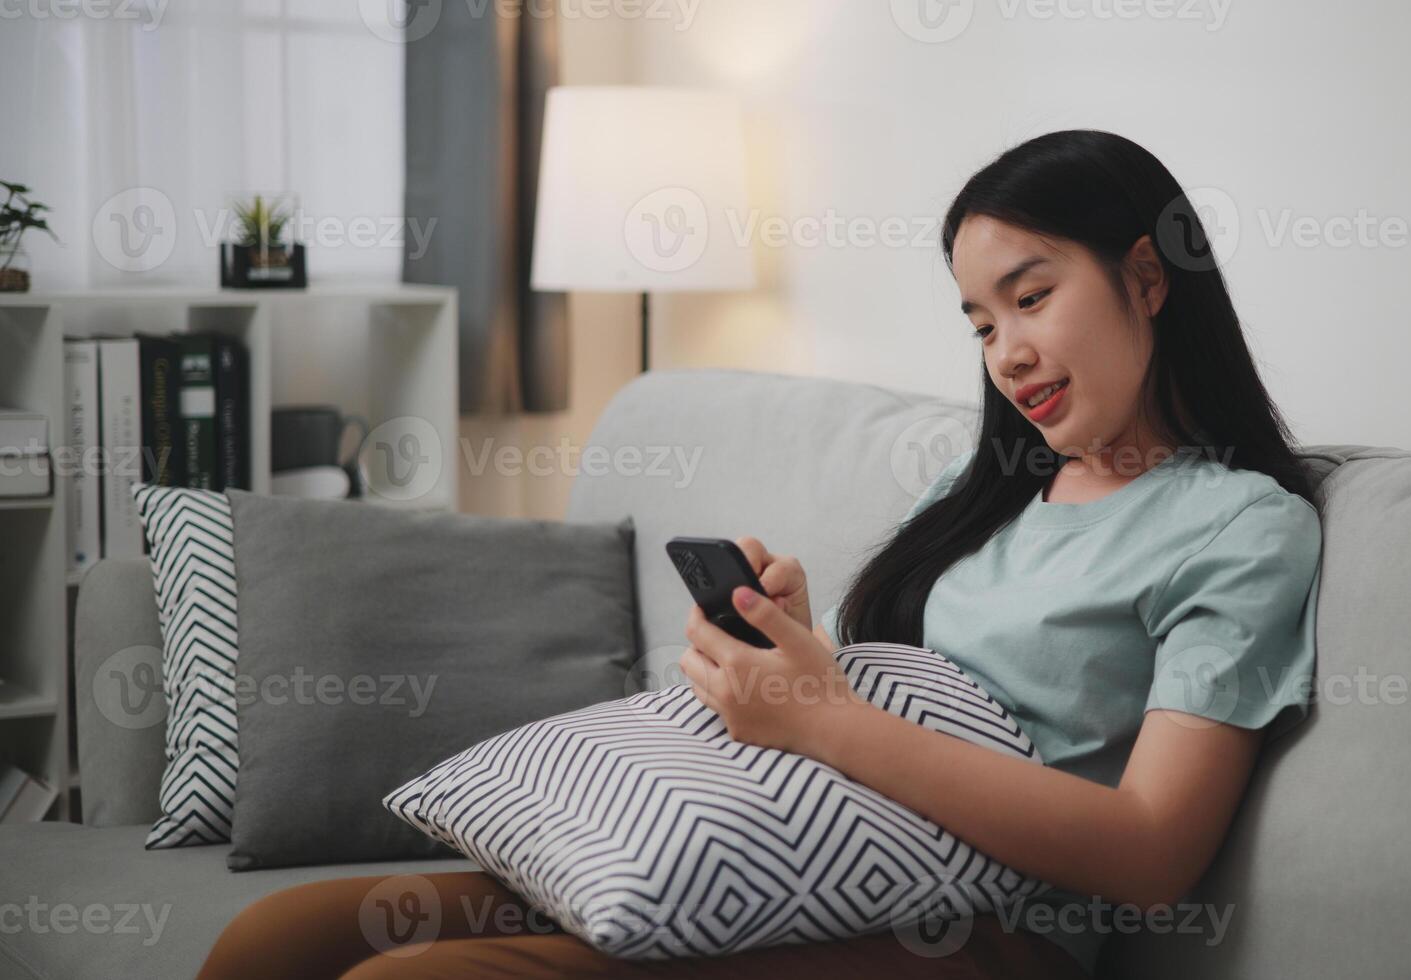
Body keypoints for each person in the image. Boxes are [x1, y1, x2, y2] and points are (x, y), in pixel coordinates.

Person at [197, 129, 1322, 980]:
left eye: (1031, 296)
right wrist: (786, 643)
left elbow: (1149, 849)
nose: (1007, 353)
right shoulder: (982, 488)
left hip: (971, 933)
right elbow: (878, 702)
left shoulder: (1238, 527)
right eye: (980, 322)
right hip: (801, 856)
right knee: (276, 939)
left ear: (1144, 276)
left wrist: (822, 717)